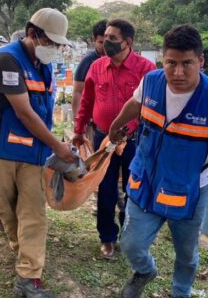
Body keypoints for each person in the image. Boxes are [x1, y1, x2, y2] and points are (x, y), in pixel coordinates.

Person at [108, 24, 208, 298]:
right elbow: (135, 103)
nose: (178, 72)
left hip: (187, 192)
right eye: (171, 63)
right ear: (162, 60)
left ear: (200, 61)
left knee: (186, 254)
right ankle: (144, 270)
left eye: (187, 63)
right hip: (146, 183)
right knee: (130, 244)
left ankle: (181, 291)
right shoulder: (151, 82)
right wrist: (118, 123)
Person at [0, 8, 76, 298]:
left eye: (57, 44)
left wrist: (52, 143)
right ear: (32, 34)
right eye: (50, 42)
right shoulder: (6, 60)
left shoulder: (43, 64)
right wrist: (58, 146)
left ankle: (28, 277)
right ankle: (20, 249)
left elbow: (41, 110)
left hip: (32, 149)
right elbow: (24, 112)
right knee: (7, 208)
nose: (53, 49)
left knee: (33, 210)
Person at [73, 19, 156, 260]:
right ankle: (107, 238)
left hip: (135, 140)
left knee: (134, 190)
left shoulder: (146, 69)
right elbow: (87, 101)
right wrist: (79, 130)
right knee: (105, 188)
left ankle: (130, 237)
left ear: (127, 42)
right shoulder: (97, 67)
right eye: (105, 37)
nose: (105, 42)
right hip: (103, 138)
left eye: (112, 39)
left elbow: (154, 106)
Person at [72, 19, 107, 117]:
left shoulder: (115, 61)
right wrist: (77, 119)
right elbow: (77, 91)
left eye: (107, 42)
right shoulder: (88, 61)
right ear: (94, 39)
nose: (105, 47)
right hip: (90, 117)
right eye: (101, 42)